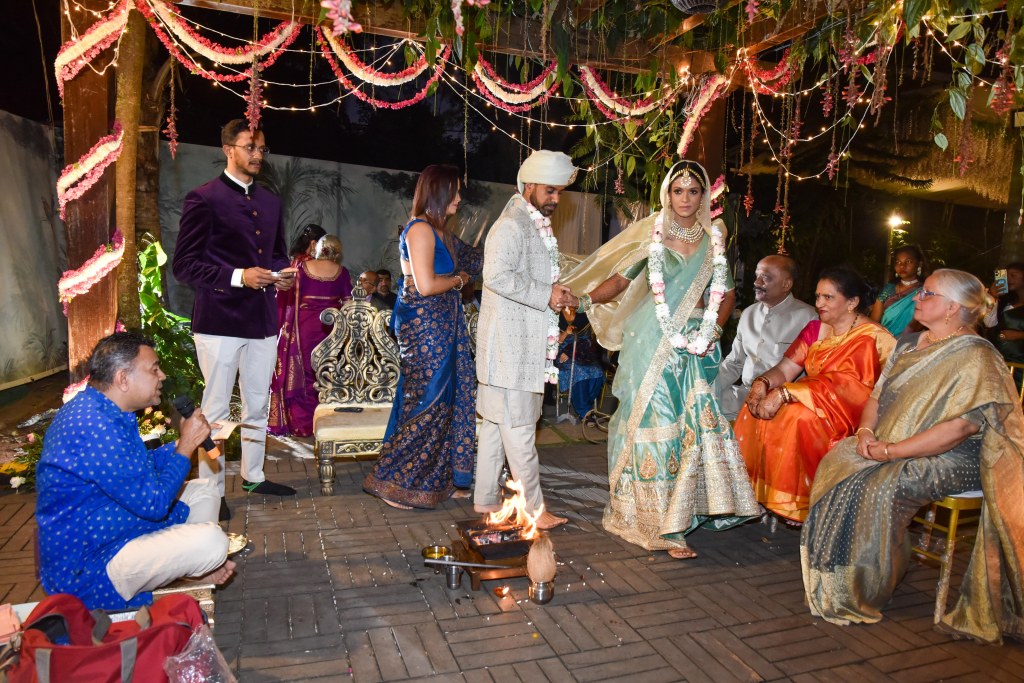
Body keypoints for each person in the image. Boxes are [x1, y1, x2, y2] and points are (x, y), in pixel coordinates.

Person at [802, 269, 1024, 645]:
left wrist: (893, 451)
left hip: (957, 455)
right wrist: (866, 433)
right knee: (839, 460)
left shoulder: (976, 355)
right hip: (892, 440)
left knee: (882, 484)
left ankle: (866, 586)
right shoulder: (907, 344)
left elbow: (960, 428)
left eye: (928, 294)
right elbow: (877, 397)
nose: (917, 298)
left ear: (952, 308)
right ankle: (836, 574)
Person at [562, 159, 760, 559]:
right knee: (652, 423)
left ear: (703, 197)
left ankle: (680, 517)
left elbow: (727, 295)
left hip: (696, 347)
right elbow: (620, 281)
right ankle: (653, 521)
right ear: (667, 194)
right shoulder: (652, 236)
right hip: (652, 342)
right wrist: (582, 301)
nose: (685, 198)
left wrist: (714, 329)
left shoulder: (714, 240)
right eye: (677, 190)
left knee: (693, 428)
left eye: (693, 191)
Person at [35, 333, 235, 610]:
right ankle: (185, 570)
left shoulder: (103, 410)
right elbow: (155, 504)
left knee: (205, 490)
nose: (162, 376)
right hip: (90, 566)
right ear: (123, 378)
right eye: (154, 369)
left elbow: (138, 469)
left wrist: (183, 442)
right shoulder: (96, 426)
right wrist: (186, 446)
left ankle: (186, 570)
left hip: (115, 526)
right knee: (212, 542)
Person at [172, 119, 297, 515]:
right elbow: (184, 266)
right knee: (216, 411)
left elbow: (275, 254)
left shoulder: (271, 202)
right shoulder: (203, 198)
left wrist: (281, 274)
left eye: (262, 149)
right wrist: (239, 276)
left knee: (258, 403)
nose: (258, 155)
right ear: (228, 149)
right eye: (249, 147)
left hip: (262, 320)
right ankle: (212, 492)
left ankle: (253, 475)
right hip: (219, 321)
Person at [736, 266, 896, 524]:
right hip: (814, 399)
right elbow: (785, 369)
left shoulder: (874, 338)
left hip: (853, 413)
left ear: (852, 302)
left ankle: (800, 502)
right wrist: (761, 384)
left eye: (828, 297)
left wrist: (787, 393)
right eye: (818, 296)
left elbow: (851, 388)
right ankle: (759, 493)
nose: (819, 303)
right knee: (754, 407)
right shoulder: (815, 329)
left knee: (798, 418)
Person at [363, 165, 483, 509]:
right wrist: (460, 280)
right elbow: (427, 285)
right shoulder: (419, 229)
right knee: (426, 401)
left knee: (445, 401)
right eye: (454, 191)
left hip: (443, 323)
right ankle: (394, 481)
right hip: (423, 326)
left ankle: (431, 479)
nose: (459, 198)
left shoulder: (443, 233)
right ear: (438, 193)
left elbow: (477, 260)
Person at [474, 150, 577, 530]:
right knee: (518, 430)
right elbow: (496, 276)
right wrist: (546, 293)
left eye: (559, 192)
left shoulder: (530, 223)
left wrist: (554, 292)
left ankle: (486, 500)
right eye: (550, 190)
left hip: (513, 348)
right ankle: (534, 510)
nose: (556, 198)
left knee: (495, 427)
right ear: (529, 185)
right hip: (509, 350)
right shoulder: (512, 225)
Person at [268, 235, 353, 437]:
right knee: (327, 371)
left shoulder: (301, 268)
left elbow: (285, 295)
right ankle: (325, 422)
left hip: (303, 327)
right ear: (338, 253)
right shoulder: (342, 272)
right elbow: (348, 305)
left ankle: (301, 423)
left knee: (303, 372)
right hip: (331, 329)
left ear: (317, 249)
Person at [713, 254, 816, 420]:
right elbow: (734, 363)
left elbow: (813, 375)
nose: (756, 282)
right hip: (745, 395)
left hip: (783, 403)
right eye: (757, 276)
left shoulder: (808, 318)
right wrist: (708, 387)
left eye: (766, 278)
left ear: (786, 284)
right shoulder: (749, 314)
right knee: (700, 405)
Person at [555, 311, 606, 422]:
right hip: (563, 352)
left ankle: (586, 406)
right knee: (578, 370)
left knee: (597, 371)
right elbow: (555, 341)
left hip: (582, 352)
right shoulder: (556, 314)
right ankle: (585, 413)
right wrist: (566, 332)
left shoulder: (584, 315)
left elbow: (589, 339)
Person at [870, 244, 927, 337]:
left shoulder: (925, 290)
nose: (902, 266)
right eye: (898, 262)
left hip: (911, 342)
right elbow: (873, 324)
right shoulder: (888, 289)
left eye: (908, 261)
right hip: (883, 341)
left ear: (919, 264)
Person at [983, 262, 1024, 363]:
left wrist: (1018, 335)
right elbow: (989, 323)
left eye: (1013, 275)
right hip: (998, 358)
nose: (1008, 279)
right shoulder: (1005, 301)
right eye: (1006, 276)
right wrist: (993, 296)